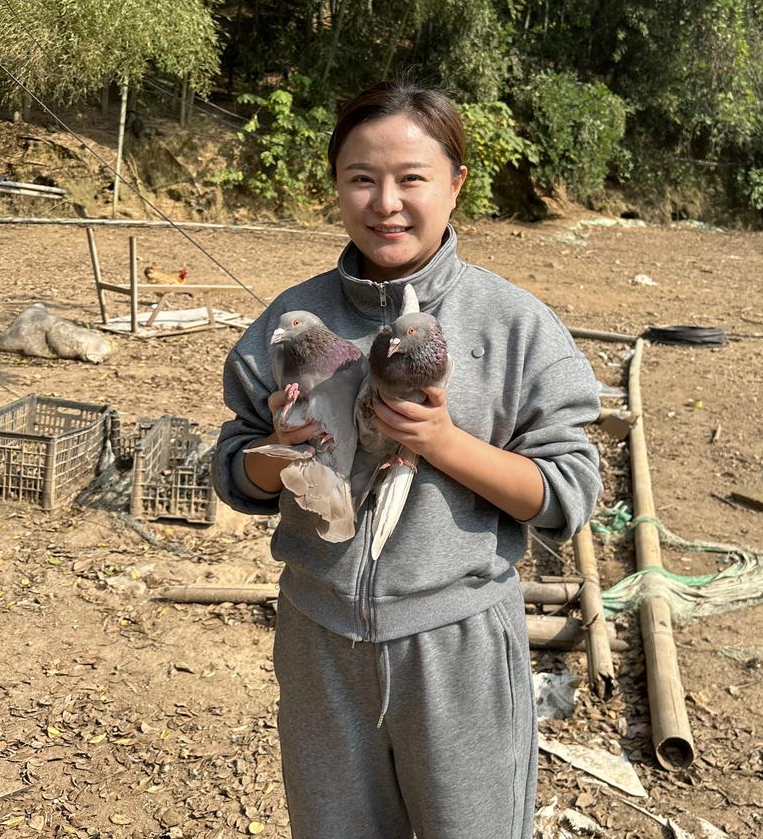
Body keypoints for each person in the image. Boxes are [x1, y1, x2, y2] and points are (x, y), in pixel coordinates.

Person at [212, 81, 601, 839]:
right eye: (361, 178)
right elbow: (234, 468)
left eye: (410, 179)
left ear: (456, 184)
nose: (385, 202)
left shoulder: (514, 324)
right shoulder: (296, 319)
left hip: (456, 642)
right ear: (336, 186)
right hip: (319, 637)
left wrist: (442, 443)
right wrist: (279, 453)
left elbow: (566, 492)